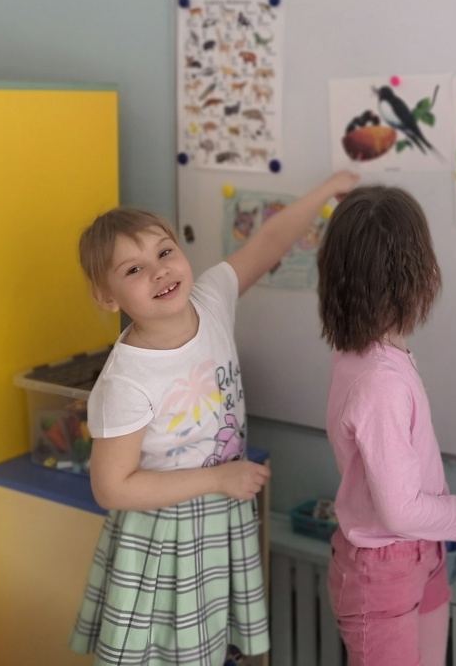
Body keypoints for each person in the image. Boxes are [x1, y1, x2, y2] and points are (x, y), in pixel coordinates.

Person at [70, 171, 356, 666]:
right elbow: (112, 488)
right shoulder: (126, 381)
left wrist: (328, 190)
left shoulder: (211, 299)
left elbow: (268, 242)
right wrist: (218, 478)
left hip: (219, 513)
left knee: (217, 649)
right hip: (165, 534)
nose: (159, 271)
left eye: (164, 252)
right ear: (107, 297)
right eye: (134, 269)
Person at [316, 184, 456, 666]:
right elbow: (399, 511)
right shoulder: (380, 381)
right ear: (420, 275)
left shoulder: (367, 356)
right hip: (384, 570)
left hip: (421, 554)